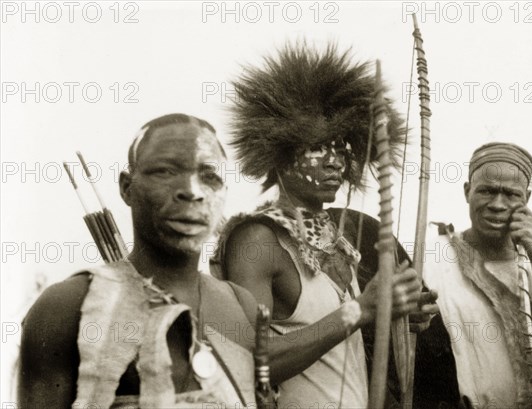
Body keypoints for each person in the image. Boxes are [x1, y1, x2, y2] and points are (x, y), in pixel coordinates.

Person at [212, 43, 437, 407]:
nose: (336, 162)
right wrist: (361, 309)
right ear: (281, 157)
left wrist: (394, 315)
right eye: (319, 147)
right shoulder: (258, 240)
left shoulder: (339, 238)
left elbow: (333, 334)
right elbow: (250, 360)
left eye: (342, 147)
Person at [18, 114, 264, 408]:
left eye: (210, 176)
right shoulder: (69, 307)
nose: (192, 190)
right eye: (165, 171)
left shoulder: (241, 304)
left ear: (224, 192)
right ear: (126, 188)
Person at [414, 142, 532, 408]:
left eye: (511, 195)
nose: (498, 204)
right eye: (487, 191)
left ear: (527, 199)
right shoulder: (432, 257)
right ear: (467, 192)